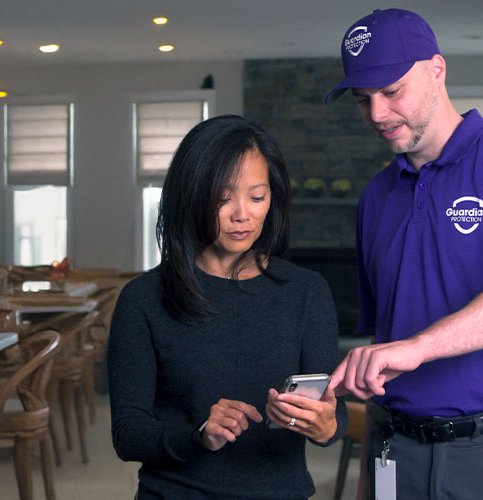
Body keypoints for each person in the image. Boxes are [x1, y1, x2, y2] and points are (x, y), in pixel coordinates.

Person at [325, 8, 483, 500]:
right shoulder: (375, 197)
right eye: (363, 99)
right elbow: (384, 344)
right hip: (397, 448)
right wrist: (371, 474)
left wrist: (419, 348)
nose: (376, 114)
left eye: (392, 91)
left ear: (437, 69)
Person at [108, 114, 348, 500]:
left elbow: (335, 418)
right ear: (192, 196)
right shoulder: (144, 298)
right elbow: (128, 434)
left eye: (257, 197)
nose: (243, 214)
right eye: (223, 198)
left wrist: (324, 426)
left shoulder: (307, 292)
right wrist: (199, 435)